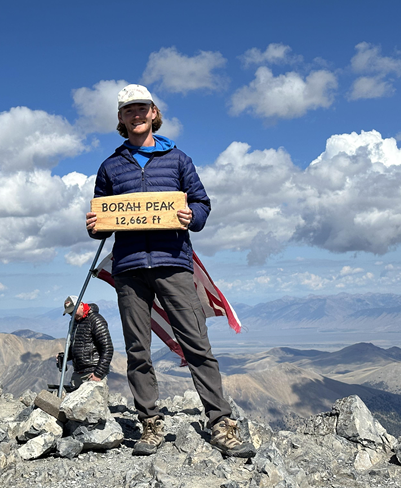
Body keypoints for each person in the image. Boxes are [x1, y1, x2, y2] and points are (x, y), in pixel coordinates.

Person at [86, 84, 254, 457]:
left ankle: (221, 423)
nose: (136, 115)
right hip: (129, 267)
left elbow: (202, 203)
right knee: (137, 349)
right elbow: (101, 218)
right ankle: (149, 424)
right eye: (129, 110)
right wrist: (94, 225)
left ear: (154, 112)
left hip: (174, 263)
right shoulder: (110, 166)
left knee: (197, 344)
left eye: (142, 108)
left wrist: (193, 216)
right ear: (121, 118)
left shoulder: (178, 159)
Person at [56, 295, 114, 389]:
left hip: (92, 373)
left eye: (73, 311)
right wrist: (65, 356)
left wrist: (98, 373)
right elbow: (77, 347)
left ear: (81, 305)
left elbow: (108, 348)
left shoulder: (95, 320)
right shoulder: (73, 323)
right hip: (78, 373)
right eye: (70, 313)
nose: (72, 314)